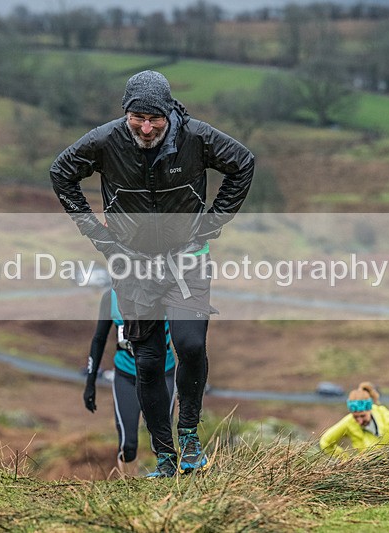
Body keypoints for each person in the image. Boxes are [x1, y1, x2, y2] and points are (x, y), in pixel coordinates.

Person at [51, 70, 254, 477]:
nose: (146, 128)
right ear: (126, 115)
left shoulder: (197, 138)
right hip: (132, 264)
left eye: (154, 119)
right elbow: (61, 173)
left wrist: (212, 223)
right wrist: (99, 238)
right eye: (137, 118)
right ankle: (164, 455)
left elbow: (243, 163)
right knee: (146, 361)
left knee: (190, 344)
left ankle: (190, 436)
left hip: (187, 257)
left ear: (169, 113)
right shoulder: (106, 140)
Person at [83, 288, 176, 474]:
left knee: (161, 442)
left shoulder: (166, 293)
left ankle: (167, 486)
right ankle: (130, 489)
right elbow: (99, 339)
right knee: (128, 445)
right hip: (126, 376)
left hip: (162, 375)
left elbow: (186, 334)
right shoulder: (111, 298)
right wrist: (90, 382)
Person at [319, 382, 389, 462]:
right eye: (355, 417)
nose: (359, 420)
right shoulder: (349, 421)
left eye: (362, 416)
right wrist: (346, 460)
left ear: (370, 409)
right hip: (362, 475)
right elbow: (325, 442)